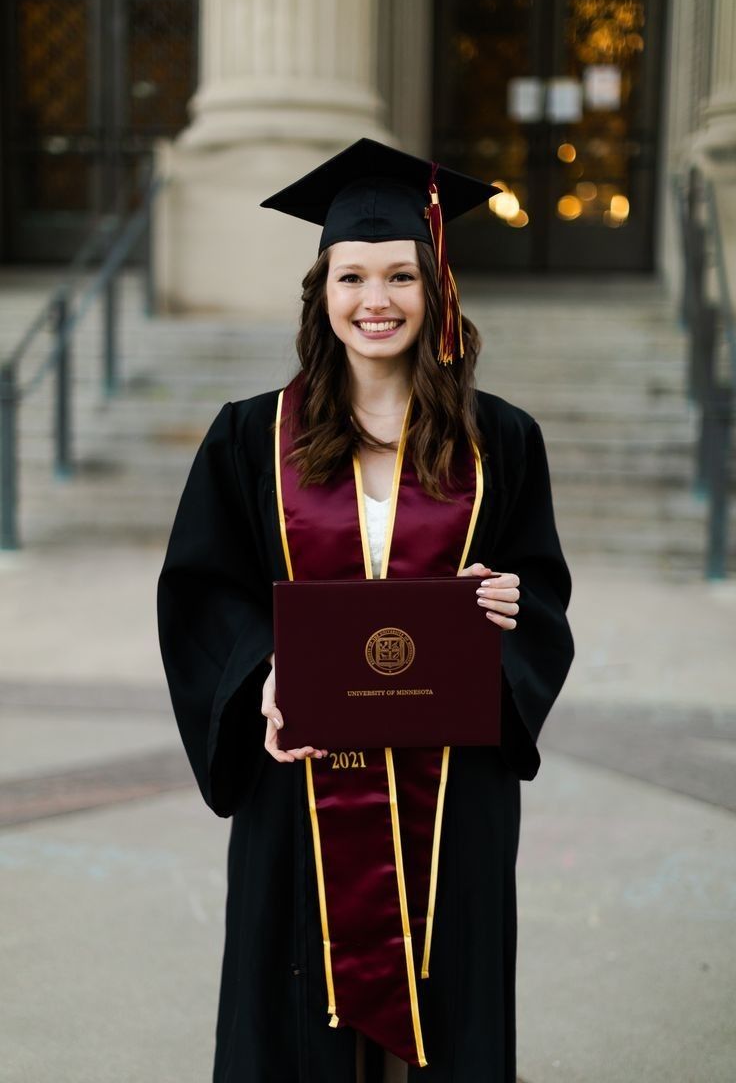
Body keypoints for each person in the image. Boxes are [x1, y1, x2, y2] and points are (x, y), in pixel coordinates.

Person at [157, 138, 574, 1083]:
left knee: (442, 1000)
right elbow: (203, 590)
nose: (374, 300)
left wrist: (504, 602)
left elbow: (539, 587)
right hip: (304, 783)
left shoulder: (499, 439)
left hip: (451, 792)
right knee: (304, 1013)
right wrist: (259, 679)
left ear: (436, 291)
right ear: (322, 292)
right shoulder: (248, 438)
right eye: (352, 277)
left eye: (399, 276)